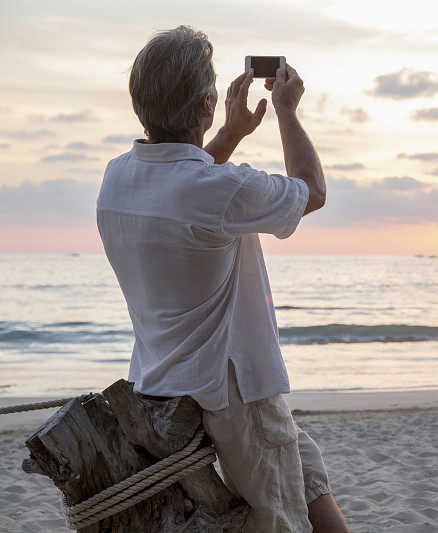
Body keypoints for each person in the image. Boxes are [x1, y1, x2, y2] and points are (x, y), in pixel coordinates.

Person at [96, 25, 348, 532]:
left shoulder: (118, 178)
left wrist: (230, 133)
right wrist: (286, 112)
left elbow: (182, 185)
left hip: (161, 387)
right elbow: (311, 190)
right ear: (207, 103)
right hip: (232, 391)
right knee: (280, 520)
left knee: (309, 481)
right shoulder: (219, 189)